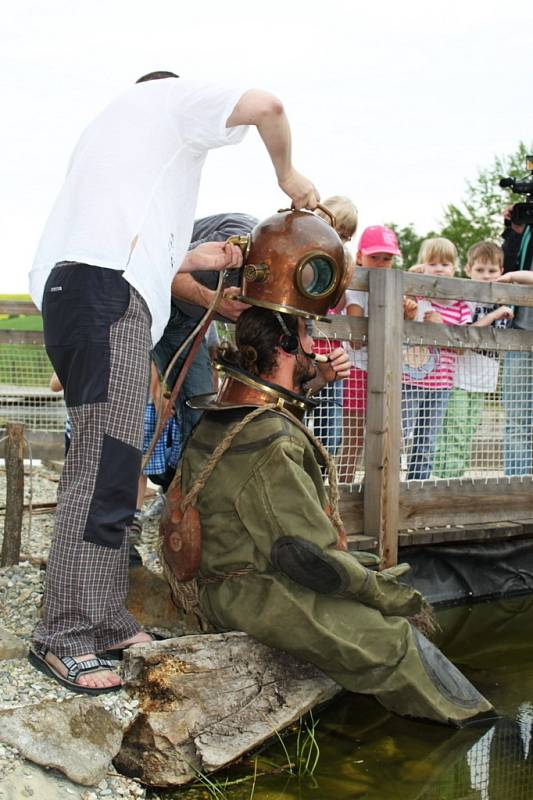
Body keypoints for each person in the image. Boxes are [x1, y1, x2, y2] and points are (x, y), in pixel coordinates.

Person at [27, 71, 319, 694]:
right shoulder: (166, 96)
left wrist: (192, 259)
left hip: (78, 290)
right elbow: (268, 105)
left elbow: (125, 231)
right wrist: (288, 176)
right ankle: (65, 635)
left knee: (113, 461)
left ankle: (103, 617)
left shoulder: (109, 137)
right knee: (105, 468)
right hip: (108, 296)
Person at [175, 305, 493, 725]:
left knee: (371, 571)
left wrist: (318, 379)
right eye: (307, 339)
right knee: (393, 642)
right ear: (287, 348)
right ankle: (475, 723)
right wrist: (389, 597)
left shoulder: (230, 417)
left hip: (233, 571)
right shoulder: (272, 441)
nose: (315, 348)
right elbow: (308, 558)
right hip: (250, 592)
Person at [339, 225, 417, 482]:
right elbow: (357, 341)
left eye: (387, 259)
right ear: (360, 256)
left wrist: (405, 314)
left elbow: (400, 336)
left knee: (385, 434)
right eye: (375, 257)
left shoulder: (395, 288)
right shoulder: (356, 288)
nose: (381, 264)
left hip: (384, 369)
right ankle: (342, 489)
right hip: (356, 370)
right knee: (353, 437)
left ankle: (378, 489)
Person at [433, 241, 513, 478]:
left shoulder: (508, 298)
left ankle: (454, 478)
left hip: (484, 379)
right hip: (458, 376)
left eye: (492, 271)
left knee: (467, 433)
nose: (486, 276)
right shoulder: (465, 298)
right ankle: (442, 480)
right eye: (480, 270)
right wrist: (496, 314)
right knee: (452, 431)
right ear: (468, 270)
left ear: (501, 272)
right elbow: (466, 334)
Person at [401, 237, 472, 481]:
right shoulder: (419, 298)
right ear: (423, 267)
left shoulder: (460, 305)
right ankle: (390, 483)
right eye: (433, 263)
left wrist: (442, 328)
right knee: (400, 433)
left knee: (427, 440)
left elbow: (462, 347)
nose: (440, 269)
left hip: (441, 385)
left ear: (455, 268)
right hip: (409, 381)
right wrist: (414, 275)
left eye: (445, 264)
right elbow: (401, 292)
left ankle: (416, 487)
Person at [310, 197, 358, 457]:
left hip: (332, 355)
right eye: (338, 232)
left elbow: (337, 303)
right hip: (305, 354)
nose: (341, 241)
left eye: (346, 237)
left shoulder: (341, 265)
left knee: (331, 431)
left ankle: (322, 476)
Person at [499, 209, 533, 475]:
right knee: (517, 418)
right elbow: (506, 265)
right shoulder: (526, 229)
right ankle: (517, 490)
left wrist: (514, 277)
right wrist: (514, 230)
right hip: (520, 327)